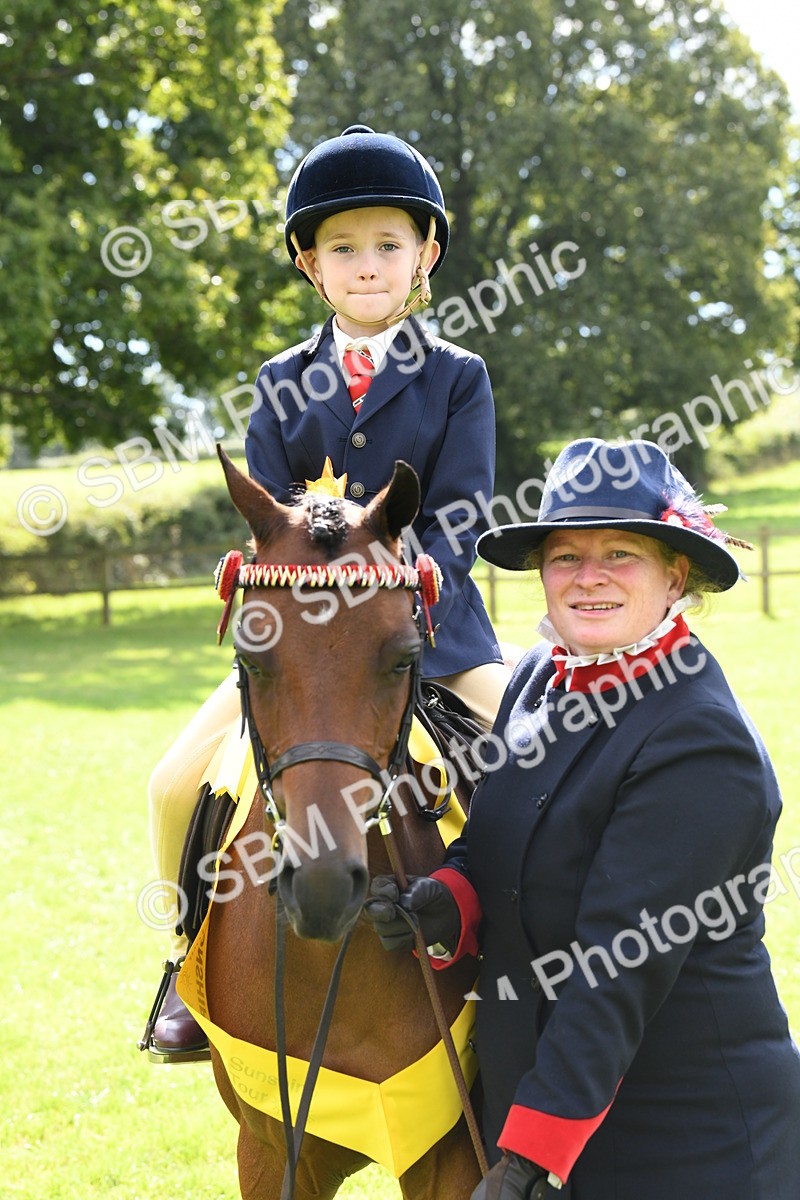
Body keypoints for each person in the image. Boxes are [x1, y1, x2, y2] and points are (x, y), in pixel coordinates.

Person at [144, 124, 510, 1059]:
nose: (367, 265)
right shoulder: (279, 382)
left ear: (425, 254)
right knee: (173, 784)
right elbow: (266, 520)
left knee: (528, 772)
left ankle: (532, 966)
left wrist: (395, 574)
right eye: (343, 248)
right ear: (311, 265)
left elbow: (462, 515)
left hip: (433, 636)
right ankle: (184, 971)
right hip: (301, 651)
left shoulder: (459, 379)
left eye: (388, 245)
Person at [365, 437, 800, 1199]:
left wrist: (530, 1156)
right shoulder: (537, 678)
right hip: (547, 1103)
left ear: (674, 575)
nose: (588, 577)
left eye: (620, 553)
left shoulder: (700, 739)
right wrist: (448, 899)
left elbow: (617, 970)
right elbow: (493, 841)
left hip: (687, 1139)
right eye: (565, 557)